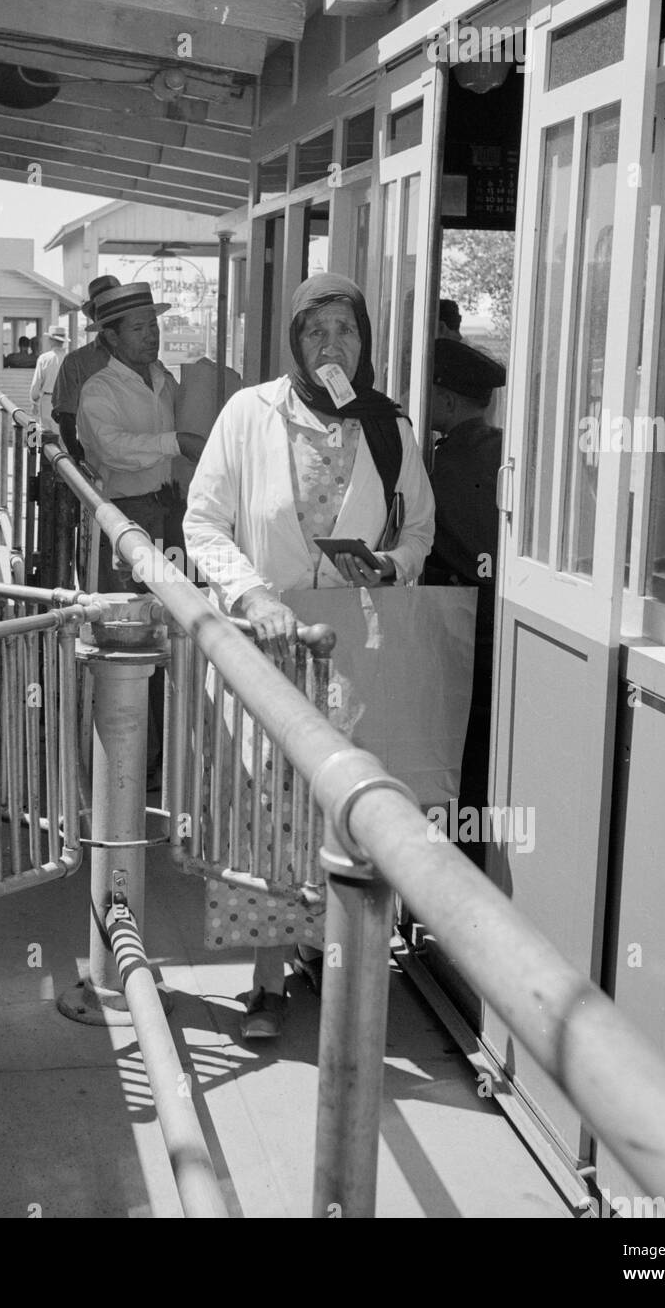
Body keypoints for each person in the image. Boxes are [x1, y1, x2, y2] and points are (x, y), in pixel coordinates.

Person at [184, 273, 434, 1039]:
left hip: (351, 647)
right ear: (293, 339)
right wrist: (251, 595)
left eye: (346, 331)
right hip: (268, 645)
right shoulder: (246, 413)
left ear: (364, 341)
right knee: (265, 809)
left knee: (340, 807)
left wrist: (388, 567)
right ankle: (263, 980)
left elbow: (418, 529)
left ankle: (326, 952)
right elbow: (202, 524)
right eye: (315, 331)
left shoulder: (386, 426)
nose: (332, 346)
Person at [423, 337, 506, 867]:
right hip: (495, 625)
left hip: (459, 627)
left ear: (449, 402)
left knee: (456, 752)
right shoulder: (499, 450)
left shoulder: (448, 463)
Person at [76, 281, 205, 594]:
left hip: (171, 508)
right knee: (134, 608)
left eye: (153, 325)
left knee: (179, 601)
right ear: (111, 337)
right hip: (127, 515)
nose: (152, 335)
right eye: (138, 328)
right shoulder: (98, 390)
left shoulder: (163, 378)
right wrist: (178, 442)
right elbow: (113, 448)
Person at [53, 274, 121, 462]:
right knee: (36, 442)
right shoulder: (75, 361)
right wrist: (77, 458)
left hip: (141, 460)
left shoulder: (144, 359)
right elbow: (66, 416)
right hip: (95, 457)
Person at [28, 324, 68, 428]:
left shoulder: (44, 358)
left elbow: (37, 383)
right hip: (67, 402)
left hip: (48, 401)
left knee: (46, 436)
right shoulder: (71, 358)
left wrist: (34, 402)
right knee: (64, 436)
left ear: (51, 340)